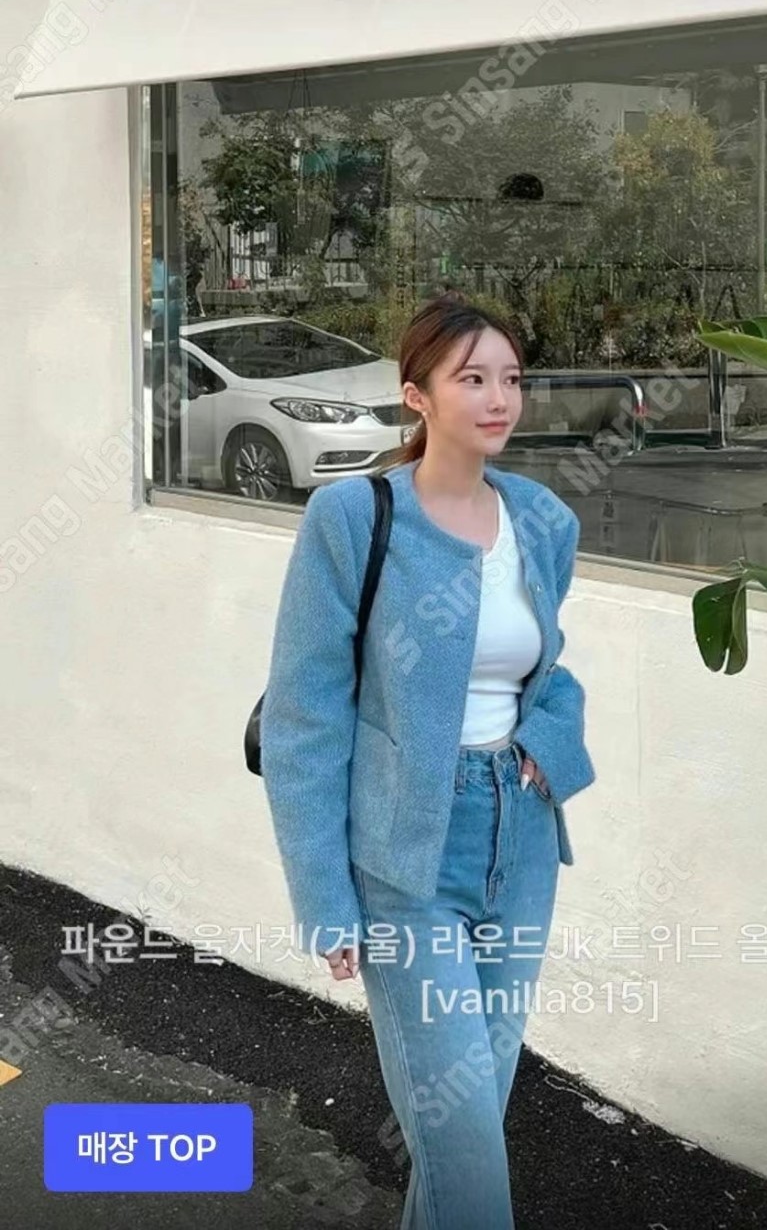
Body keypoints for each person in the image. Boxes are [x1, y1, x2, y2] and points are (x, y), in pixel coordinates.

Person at [259, 294, 596, 1229]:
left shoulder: (541, 520)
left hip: (521, 842)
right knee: (468, 1154)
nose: (499, 398)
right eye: (472, 378)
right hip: (408, 856)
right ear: (417, 394)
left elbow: (549, 674)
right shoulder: (352, 518)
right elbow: (304, 718)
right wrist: (324, 896)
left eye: (511, 378)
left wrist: (546, 751)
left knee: (471, 1123)